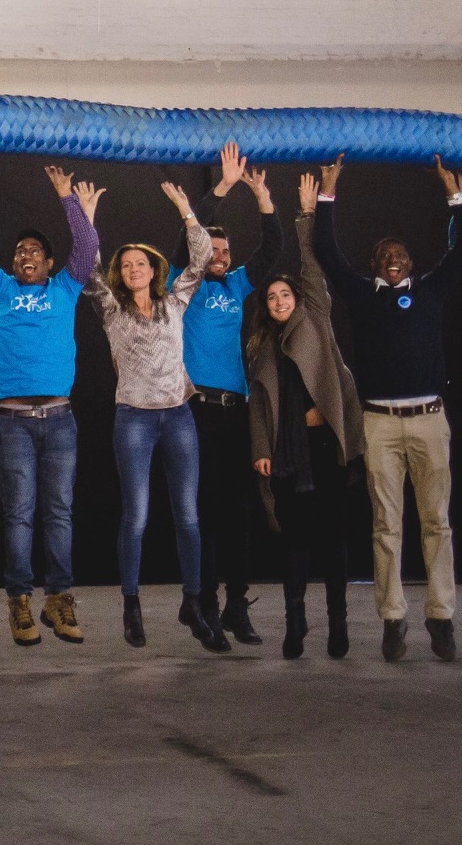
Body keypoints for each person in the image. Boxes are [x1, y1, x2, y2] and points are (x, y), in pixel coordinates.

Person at [310, 154, 458, 662]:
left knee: (436, 522)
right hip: (380, 424)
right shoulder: (361, 295)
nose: (392, 258)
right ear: (374, 265)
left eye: (400, 253)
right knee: (386, 525)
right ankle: (393, 618)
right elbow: (327, 251)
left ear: (411, 263)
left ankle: (441, 617)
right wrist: (328, 191)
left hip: (429, 421)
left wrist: (453, 194)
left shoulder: (431, 290)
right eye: (383, 254)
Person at [86, 180, 229, 653]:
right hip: (134, 420)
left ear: (153, 270)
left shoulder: (174, 302)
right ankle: (131, 603)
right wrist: (87, 216)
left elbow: (202, 258)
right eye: (126, 265)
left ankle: (192, 602)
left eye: (140, 264)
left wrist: (187, 209)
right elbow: (87, 267)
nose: (133, 269)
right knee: (137, 516)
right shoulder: (112, 310)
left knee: (188, 515)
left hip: (178, 416)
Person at [0, 164, 101, 648]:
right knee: (19, 514)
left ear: (48, 263)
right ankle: (19, 600)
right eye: (19, 252)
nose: (26, 255)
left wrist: (67, 197)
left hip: (60, 420)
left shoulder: (64, 288)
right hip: (12, 423)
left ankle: (59, 598)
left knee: (60, 512)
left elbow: (86, 248)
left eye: (34, 252)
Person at [249, 174, 363, 661]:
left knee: (333, 542)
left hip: (326, 448)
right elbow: (259, 404)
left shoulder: (315, 318)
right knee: (294, 545)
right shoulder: (260, 347)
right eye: (272, 297)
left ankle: (338, 623)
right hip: (286, 453)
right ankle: (295, 624)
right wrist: (260, 449)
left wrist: (307, 215)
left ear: (297, 298)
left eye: (285, 295)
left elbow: (312, 267)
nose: (279, 302)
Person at [174, 141, 282, 648]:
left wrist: (262, 199)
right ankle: (206, 606)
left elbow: (272, 251)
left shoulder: (237, 286)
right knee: (204, 512)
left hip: (236, 411)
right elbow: (190, 235)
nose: (219, 258)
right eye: (211, 252)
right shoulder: (185, 283)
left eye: (224, 253)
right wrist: (222, 186)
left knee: (239, 511)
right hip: (196, 411)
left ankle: (237, 604)